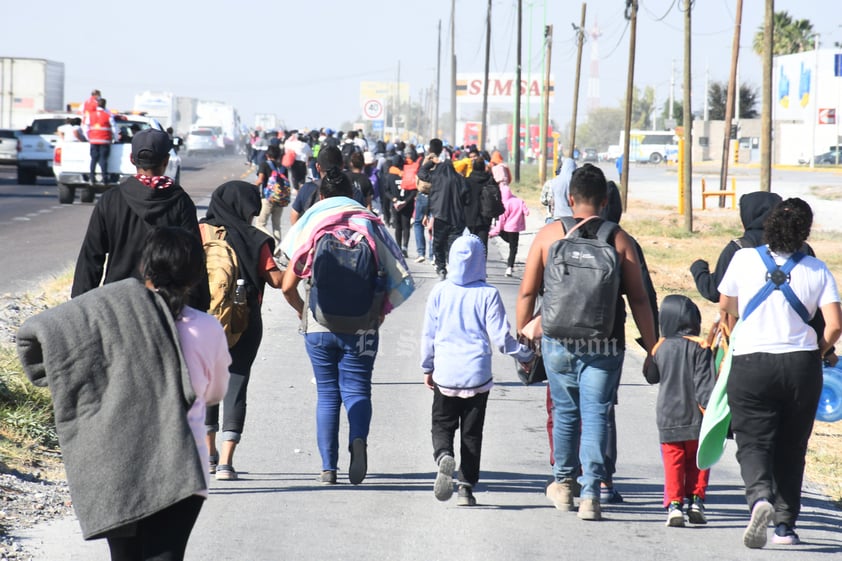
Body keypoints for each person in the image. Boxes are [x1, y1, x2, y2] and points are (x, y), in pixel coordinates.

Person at [17, 227, 230, 561]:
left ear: (146, 267)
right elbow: (215, 393)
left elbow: (53, 335)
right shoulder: (207, 328)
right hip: (183, 468)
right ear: (194, 275)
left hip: (119, 465)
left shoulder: (110, 320)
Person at [516, 163, 657, 522]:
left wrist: (523, 336)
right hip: (605, 344)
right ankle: (592, 492)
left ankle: (564, 484)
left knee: (566, 413)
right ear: (606, 200)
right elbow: (639, 299)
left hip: (558, 340)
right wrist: (652, 346)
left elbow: (528, 291)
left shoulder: (549, 236)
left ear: (569, 198)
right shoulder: (619, 239)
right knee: (596, 413)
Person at [718, 198, 841, 548]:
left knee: (753, 439)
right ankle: (785, 526)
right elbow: (834, 325)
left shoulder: (743, 258)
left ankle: (759, 498)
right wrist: (818, 350)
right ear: (805, 232)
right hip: (801, 366)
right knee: (792, 445)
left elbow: (726, 304)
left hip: (752, 362)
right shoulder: (817, 269)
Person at [280, 164, 414, 485]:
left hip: (318, 325)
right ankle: (358, 441)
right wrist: (379, 313)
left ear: (321, 195)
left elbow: (286, 285)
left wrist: (305, 313)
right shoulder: (371, 224)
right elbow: (404, 281)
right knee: (357, 390)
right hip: (362, 326)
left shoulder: (312, 223)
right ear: (354, 194)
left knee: (327, 395)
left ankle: (328, 468)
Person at [421, 234, 533, 506]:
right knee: (472, 433)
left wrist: (427, 366)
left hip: (446, 373)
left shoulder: (440, 291)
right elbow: (502, 339)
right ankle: (466, 487)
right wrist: (526, 354)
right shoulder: (488, 294)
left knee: (442, 424)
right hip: (477, 375)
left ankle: (443, 455)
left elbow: (428, 334)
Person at [71, 128, 210, 311]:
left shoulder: (111, 199)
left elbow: (91, 257)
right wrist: (199, 306)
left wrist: (80, 308)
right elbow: (192, 257)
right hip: (165, 307)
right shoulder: (180, 202)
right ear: (166, 161)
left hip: (116, 303)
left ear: (131, 159)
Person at [201, 181, 285, 481]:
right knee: (236, 384)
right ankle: (226, 462)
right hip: (244, 321)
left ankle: (208, 455)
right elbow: (276, 280)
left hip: (203, 323)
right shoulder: (256, 239)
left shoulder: (199, 233)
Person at [644, 294, 715, 527]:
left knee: (673, 462)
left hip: (667, 417)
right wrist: (711, 412)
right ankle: (696, 500)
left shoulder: (660, 346)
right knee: (699, 461)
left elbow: (651, 376)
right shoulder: (701, 347)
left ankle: (674, 505)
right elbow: (704, 384)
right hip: (696, 417)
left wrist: (651, 352)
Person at [417, 138, 471, 281]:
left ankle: (441, 268)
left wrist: (431, 162)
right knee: (453, 245)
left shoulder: (436, 177)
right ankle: (453, 266)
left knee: (438, 243)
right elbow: (467, 199)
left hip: (440, 215)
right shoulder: (460, 180)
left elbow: (421, 173)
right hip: (457, 218)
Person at [489, 165, 528, 277]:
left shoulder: (504, 204)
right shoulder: (517, 201)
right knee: (513, 247)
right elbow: (526, 211)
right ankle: (509, 267)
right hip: (515, 228)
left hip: (505, 227)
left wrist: (494, 232)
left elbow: (500, 221)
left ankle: (509, 266)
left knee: (508, 241)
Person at [254, 144, 289, 255]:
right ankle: (277, 250)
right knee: (276, 225)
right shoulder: (283, 167)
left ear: (267, 155)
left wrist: (252, 187)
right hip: (280, 199)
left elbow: (260, 180)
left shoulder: (264, 164)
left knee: (260, 224)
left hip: (268, 198)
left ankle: (271, 241)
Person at [84, 97, 118, 185]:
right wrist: (116, 138)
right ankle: (105, 178)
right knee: (103, 159)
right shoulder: (108, 115)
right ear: (105, 105)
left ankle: (92, 177)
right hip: (105, 140)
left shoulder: (90, 115)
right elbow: (114, 129)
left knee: (94, 159)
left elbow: (85, 127)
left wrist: (88, 137)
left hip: (93, 141)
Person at [464, 157, 494, 250]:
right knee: (483, 243)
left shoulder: (467, 181)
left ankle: (472, 262)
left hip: (469, 215)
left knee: (471, 242)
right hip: (486, 214)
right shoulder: (490, 180)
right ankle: (481, 263)